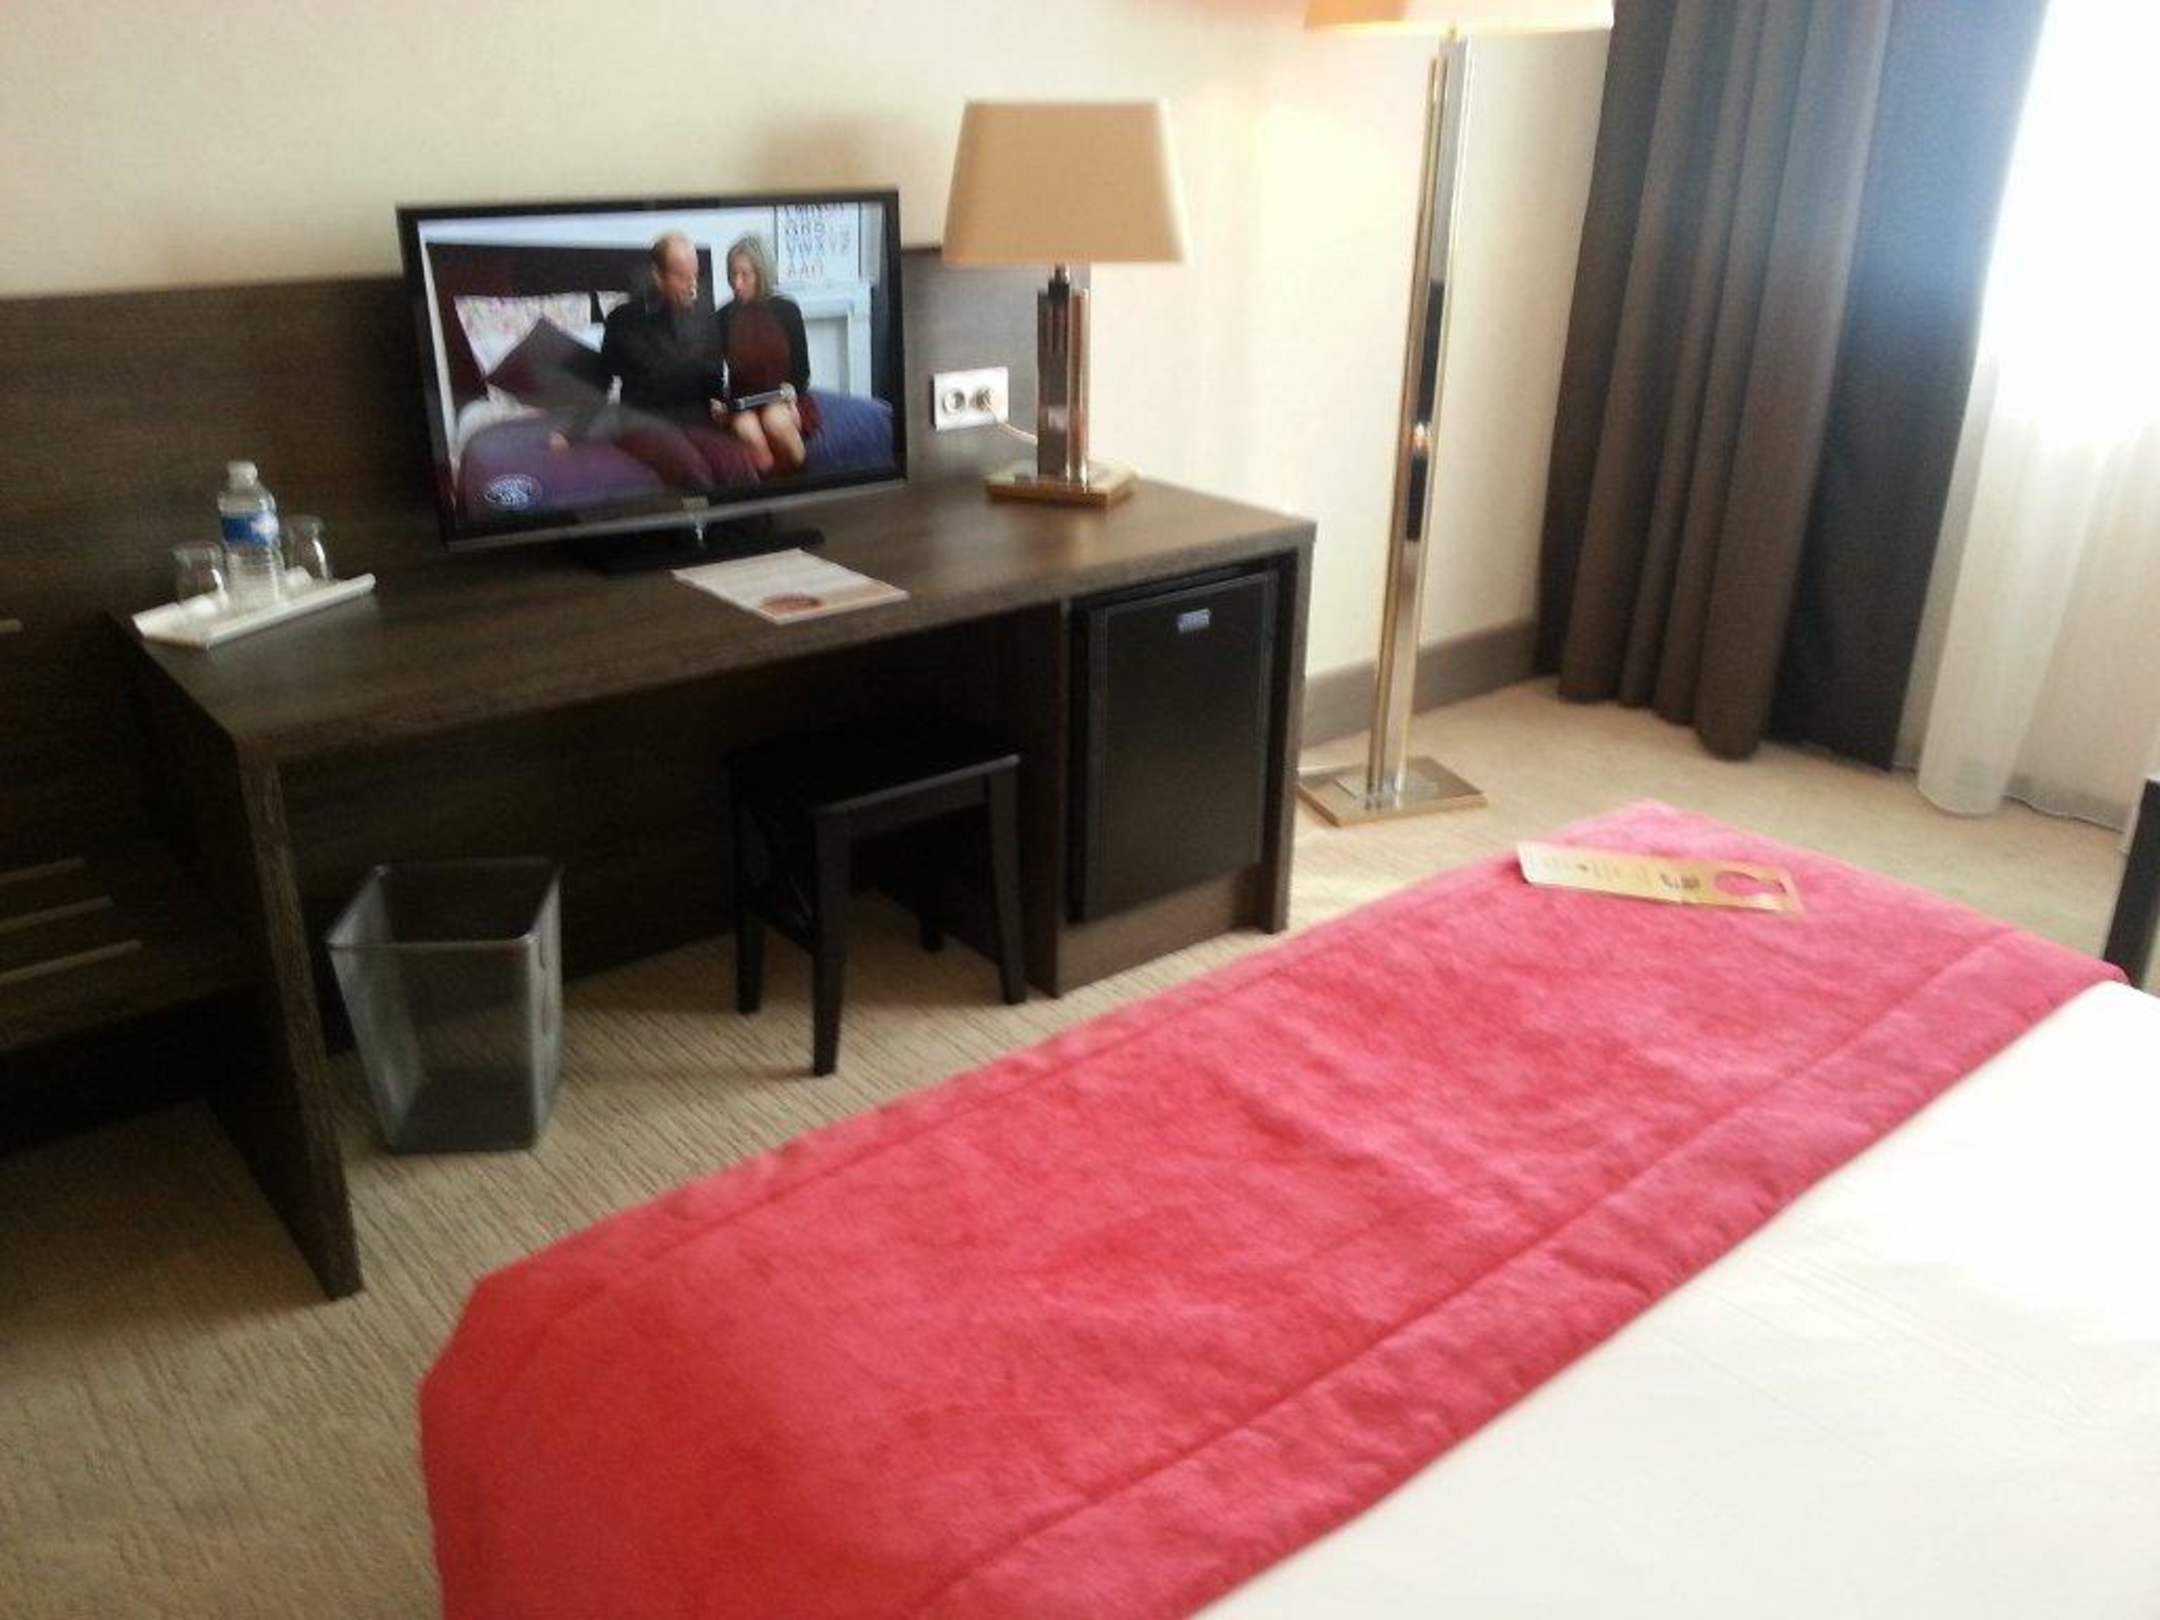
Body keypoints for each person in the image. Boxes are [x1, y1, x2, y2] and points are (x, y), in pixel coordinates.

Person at [564, 232, 744, 490]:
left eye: (695, 276)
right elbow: (601, 380)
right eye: (682, 277)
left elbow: (714, 382)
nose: (692, 286)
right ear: (658, 276)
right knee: (694, 471)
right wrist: (573, 432)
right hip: (642, 421)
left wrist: (725, 409)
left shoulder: (704, 319)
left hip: (694, 417)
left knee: (739, 464)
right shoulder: (623, 321)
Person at [712, 234, 820, 476]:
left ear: (761, 274)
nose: (736, 283)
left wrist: (793, 390)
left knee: (775, 421)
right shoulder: (723, 317)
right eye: (732, 274)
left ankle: (805, 481)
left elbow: (802, 371)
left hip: (782, 399)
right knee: (747, 430)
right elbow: (714, 374)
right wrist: (717, 402)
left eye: (745, 275)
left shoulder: (787, 310)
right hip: (743, 402)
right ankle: (773, 491)